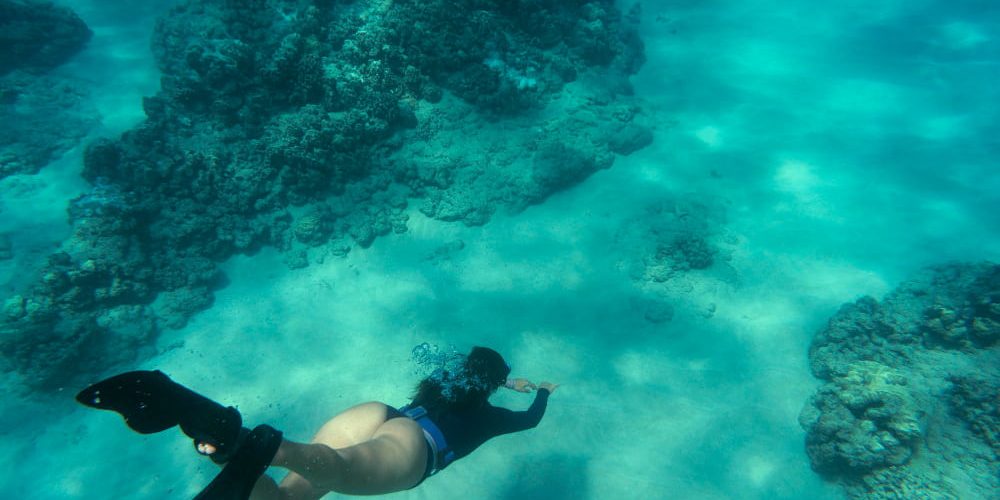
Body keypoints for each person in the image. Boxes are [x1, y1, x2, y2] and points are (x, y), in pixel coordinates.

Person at [76, 346, 558, 499]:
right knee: (336, 467)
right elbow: (532, 420)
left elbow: (470, 375)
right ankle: (251, 442)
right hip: (414, 448)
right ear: (492, 384)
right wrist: (539, 390)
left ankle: (221, 442)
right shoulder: (491, 417)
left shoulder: (438, 383)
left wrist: (501, 379)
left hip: (379, 413)